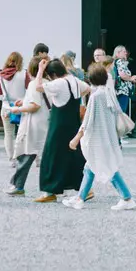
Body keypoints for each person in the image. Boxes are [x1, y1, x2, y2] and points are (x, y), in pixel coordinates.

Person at [70, 63, 136, 210]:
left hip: (97, 139)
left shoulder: (95, 97)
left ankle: (127, 198)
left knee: (107, 169)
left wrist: (76, 138)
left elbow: (87, 121)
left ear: (91, 79)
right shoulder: (109, 93)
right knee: (91, 168)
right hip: (109, 137)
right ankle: (80, 198)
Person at [36, 59, 87, 202]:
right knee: (74, 156)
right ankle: (84, 188)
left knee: (51, 156)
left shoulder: (59, 83)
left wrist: (40, 69)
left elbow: (38, 87)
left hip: (58, 125)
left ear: (53, 74)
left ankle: (50, 191)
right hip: (73, 123)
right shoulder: (75, 80)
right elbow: (88, 89)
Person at [6, 55, 49, 196]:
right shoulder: (49, 82)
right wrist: (23, 100)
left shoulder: (33, 84)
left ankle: (18, 186)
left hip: (33, 124)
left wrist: (17, 109)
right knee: (42, 156)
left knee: (25, 154)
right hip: (45, 122)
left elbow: (35, 105)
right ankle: (51, 188)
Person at [0, 52, 27, 161]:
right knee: (22, 133)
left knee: (8, 134)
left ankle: (11, 158)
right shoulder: (24, 74)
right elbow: (29, 91)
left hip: (6, 108)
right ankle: (21, 156)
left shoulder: (0, 76)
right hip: (22, 107)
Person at [112, 46, 136, 118]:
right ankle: (119, 128)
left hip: (117, 90)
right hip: (122, 91)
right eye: (124, 51)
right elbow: (122, 74)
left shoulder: (114, 62)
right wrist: (131, 78)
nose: (126, 53)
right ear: (118, 53)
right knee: (121, 112)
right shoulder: (120, 61)